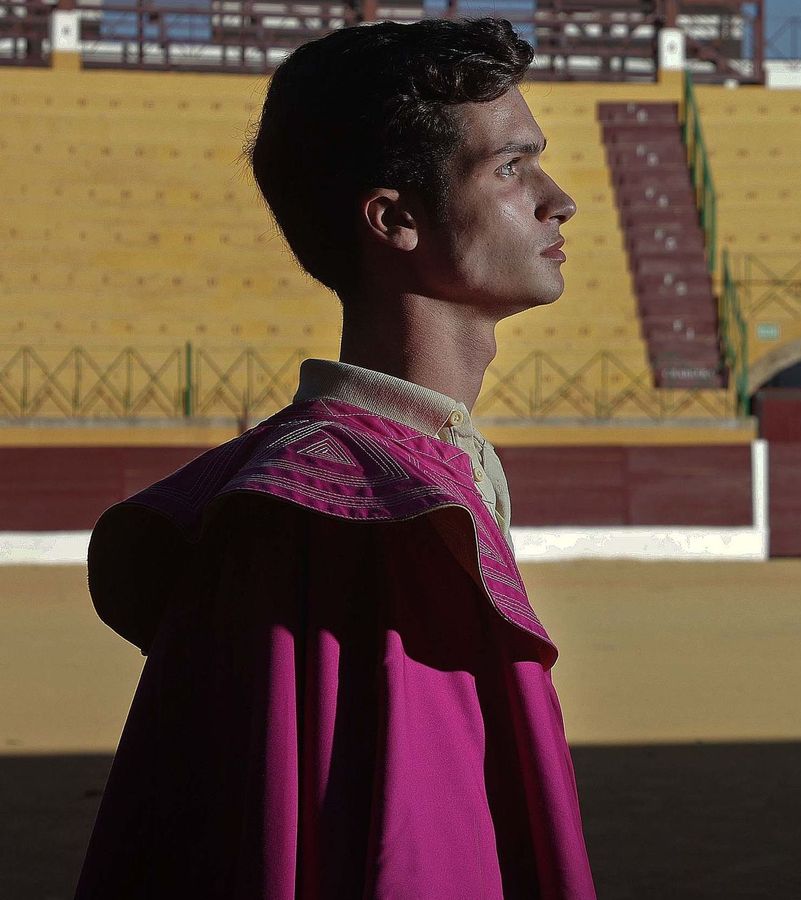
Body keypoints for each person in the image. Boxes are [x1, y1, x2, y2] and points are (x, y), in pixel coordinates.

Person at [74, 18, 593, 898]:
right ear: (395, 219)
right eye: (511, 168)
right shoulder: (347, 509)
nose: (558, 198)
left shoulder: (394, 472)